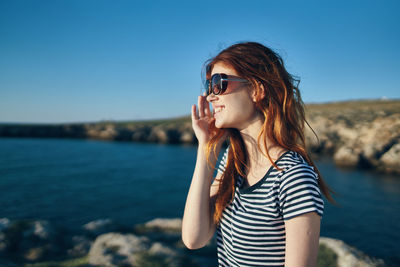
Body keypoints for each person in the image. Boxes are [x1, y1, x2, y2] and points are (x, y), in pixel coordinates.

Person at [181, 41, 336, 267]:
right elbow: (194, 239)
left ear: (256, 89)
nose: (211, 96)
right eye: (209, 86)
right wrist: (206, 148)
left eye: (219, 84)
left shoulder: (293, 178)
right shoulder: (232, 163)